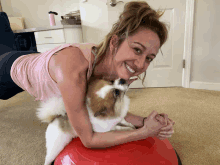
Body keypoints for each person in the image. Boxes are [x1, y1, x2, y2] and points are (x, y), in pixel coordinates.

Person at [2, 1, 175, 148]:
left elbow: (103, 111)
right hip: (7, 70)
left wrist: (147, 121)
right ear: (114, 42)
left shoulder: (117, 69)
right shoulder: (74, 67)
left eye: (149, 58)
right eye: (137, 49)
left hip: (31, 59)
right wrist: (144, 132)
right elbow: (89, 139)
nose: (140, 65)